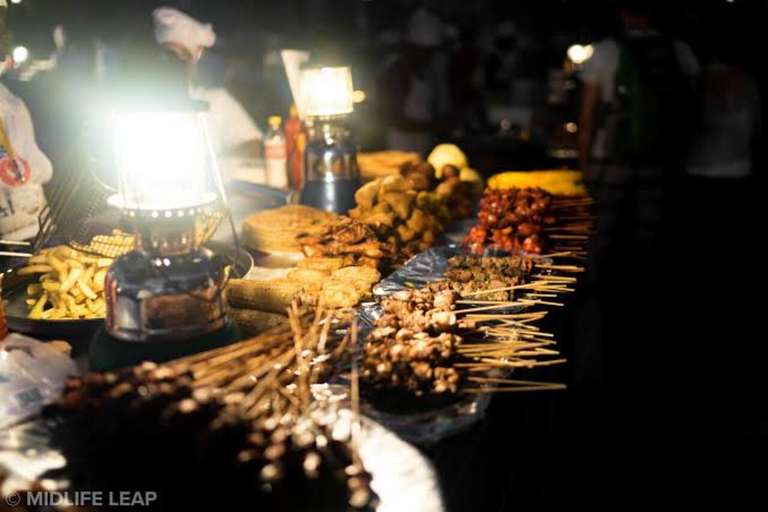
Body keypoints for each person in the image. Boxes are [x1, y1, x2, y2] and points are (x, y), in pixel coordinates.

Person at [578, 1, 698, 269]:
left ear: (622, 12)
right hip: (660, 157)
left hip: (610, 158)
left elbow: (588, 117)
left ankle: (595, 285)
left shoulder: (604, 51)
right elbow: (692, 107)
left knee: (600, 231)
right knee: (651, 233)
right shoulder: (680, 51)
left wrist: (583, 165)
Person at [152, 7, 263, 159]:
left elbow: (253, 145)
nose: (171, 64)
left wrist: (212, 164)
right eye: (166, 56)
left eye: (179, 57)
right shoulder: (139, 105)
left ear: (191, 65)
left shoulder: (217, 102)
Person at [0, 1, 53, 241]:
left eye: (3, 23)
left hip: (37, 233)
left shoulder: (12, 104)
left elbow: (39, 169)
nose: (6, 34)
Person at [375, 7, 449, 155]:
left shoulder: (425, 71)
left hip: (421, 144)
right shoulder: (395, 72)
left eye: (431, 53)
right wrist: (432, 126)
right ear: (412, 48)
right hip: (397, 145)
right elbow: (392, 117)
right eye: (425, 52)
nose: (428, 58)